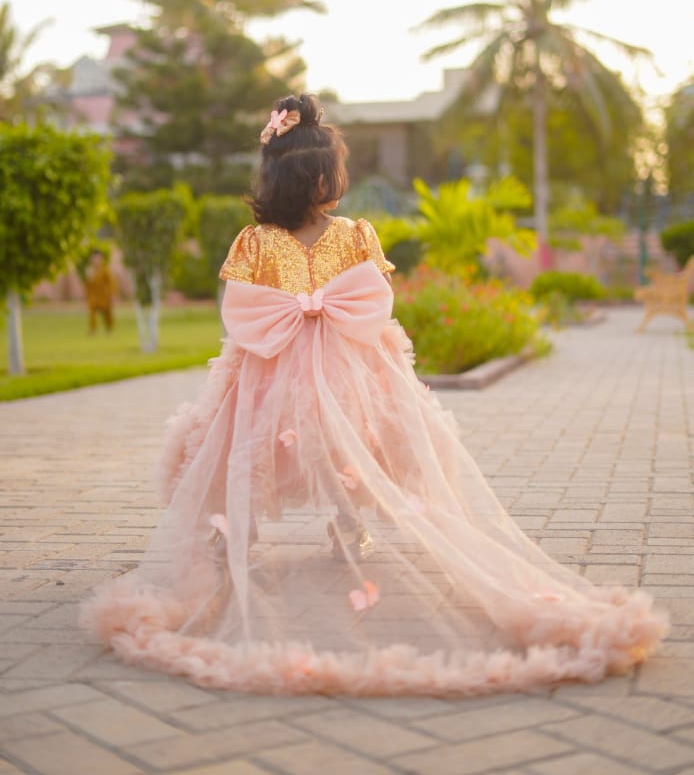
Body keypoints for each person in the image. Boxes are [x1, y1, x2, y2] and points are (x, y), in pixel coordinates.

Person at [81, 94, 668, 695]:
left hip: (341, 358)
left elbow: (369, 299)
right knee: (261, 440)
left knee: (345, 435)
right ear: (317, 179)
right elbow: (246, 306)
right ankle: (250, 524)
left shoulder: (346, 235)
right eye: (330, 172)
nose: (334, 181)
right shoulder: (261, 241)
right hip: (279, 360)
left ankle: (338, 519)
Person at [84, 250, 116, 333]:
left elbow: (111, 282)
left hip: (104, 295)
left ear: (101, 259)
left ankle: (109, 328)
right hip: (93, 296)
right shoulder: (90, 270)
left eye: (97, 258)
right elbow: (88, 285)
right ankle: (93, 329)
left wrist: (112, 294)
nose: (96, 260)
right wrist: (86, 295)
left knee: (107, 313)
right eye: (94, 258)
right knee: (92, 313)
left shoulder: (105, 269)